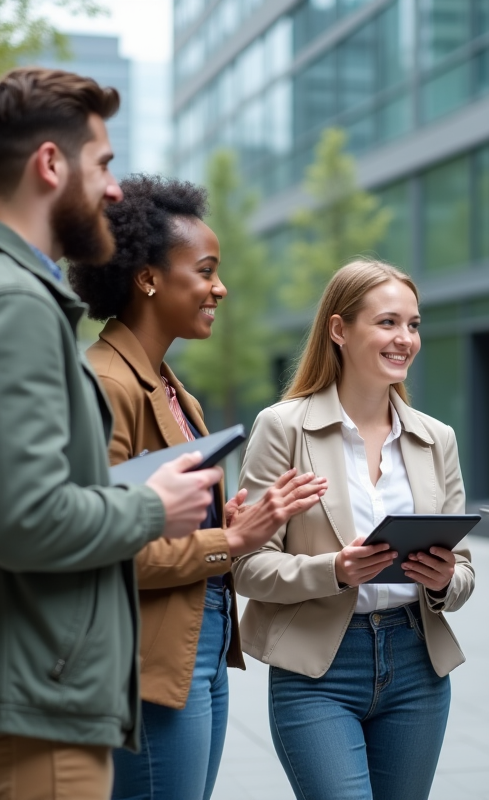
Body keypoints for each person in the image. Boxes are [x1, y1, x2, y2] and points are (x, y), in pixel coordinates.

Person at [0, 68, 223, 800]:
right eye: (101, 163)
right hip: (22, 701)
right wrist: (150, 507)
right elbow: (25, 518)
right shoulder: (10, 304)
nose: (112, 189)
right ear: (49, 164)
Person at [68, 174, 328, 800]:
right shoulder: (107, 383)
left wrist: (229, 518)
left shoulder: (166, 383)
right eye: (206, 270)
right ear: (148, 278)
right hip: (146, 652)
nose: (221, 287)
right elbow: (102, 547)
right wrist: (232, 539)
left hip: (197, 640)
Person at [233, 259, 476, 800]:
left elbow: (463, 573)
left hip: (417, 663)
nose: (405, 339)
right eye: (388, 323)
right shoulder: (282, 428)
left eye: (413, 325)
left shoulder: (437, 440)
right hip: (318, 669)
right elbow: (246, 565)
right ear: (339, 330)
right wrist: (335, 570)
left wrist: (441, 581)